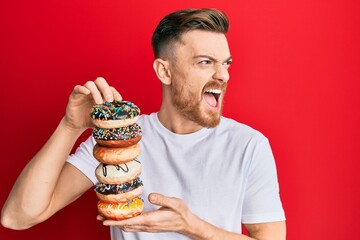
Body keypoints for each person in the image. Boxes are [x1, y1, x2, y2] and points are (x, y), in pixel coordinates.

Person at [1, 8, 286, 240]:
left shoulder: (248, 145)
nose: (223, 75)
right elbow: (18, 216)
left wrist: (192, 226)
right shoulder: (118, 138)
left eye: (226, 63)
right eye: (205, 62)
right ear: (164, 71)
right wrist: (70, 126)